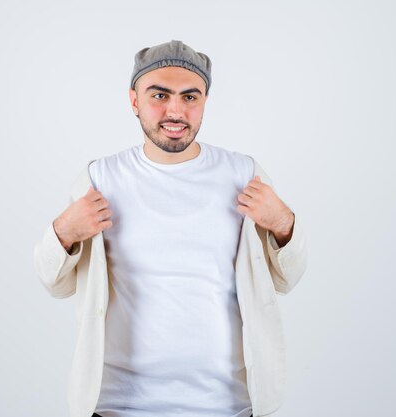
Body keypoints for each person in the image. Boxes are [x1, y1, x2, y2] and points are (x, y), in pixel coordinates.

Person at [34, 40, 308, 417]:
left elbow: (287, 279)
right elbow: (55, 283)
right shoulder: (99, 178)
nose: (175, 110)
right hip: (118, 405)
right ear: (134, 101)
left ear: (205, 102)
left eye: (190, 97)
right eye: (159, 95)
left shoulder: (244, 174)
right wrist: (63, 232)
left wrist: (283, 223)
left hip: (225, 405)